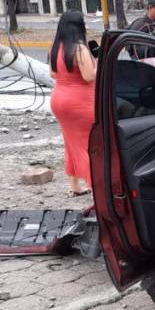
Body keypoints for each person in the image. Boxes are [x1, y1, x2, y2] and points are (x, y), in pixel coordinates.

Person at [48, 11, 96, 197]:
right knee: (88, 144)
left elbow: (53, 74)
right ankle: (96, 187)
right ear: (80, 27)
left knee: (71, 142)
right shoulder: (80, 49)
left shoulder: (54, 48)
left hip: (59, 98)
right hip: (80, 101)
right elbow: (89, 76)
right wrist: (98, 65)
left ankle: (74, 185)